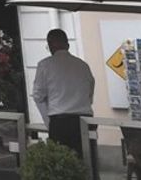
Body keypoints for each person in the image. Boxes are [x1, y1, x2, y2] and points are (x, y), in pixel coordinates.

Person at [32, 28, 95, 158]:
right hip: (85, 119)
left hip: (60, 121)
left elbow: (38, 95)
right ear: (67, 45)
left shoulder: (44, 65)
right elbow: (90, 90)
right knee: (87, 161)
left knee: (62, 163)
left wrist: (47, 119)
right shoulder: (82, 65)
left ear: (49, 46)